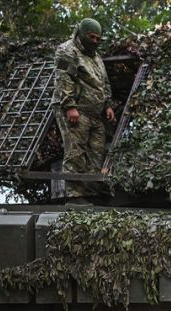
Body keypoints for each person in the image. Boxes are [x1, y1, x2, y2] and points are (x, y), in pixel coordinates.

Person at [51, 18, 115, 200]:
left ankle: (93, 192)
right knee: (75, 151)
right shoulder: (67, 50)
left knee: (97, 152)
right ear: (81, 33)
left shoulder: (96, 57)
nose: (94, 41)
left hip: (95, 112)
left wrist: (108, 105)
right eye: (91, 37)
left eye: (98, 39)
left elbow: (104, 83)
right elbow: (64, 79)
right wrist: (70, 106)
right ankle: (74, 195)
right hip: (75, 110)